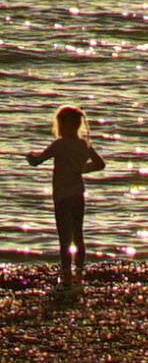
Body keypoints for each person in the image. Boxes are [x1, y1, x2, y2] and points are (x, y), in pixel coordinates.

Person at [26, 105, 106, 294]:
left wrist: (30, 157)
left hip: (62, 196)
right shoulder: (83, 144)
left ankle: (66, 281)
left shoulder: (60, 145)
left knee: (64, 238)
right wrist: (81, 170)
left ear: (62, 124)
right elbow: (100, 164)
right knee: (78, 235)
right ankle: (78, 278)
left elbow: (38, 161)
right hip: (78, 193)